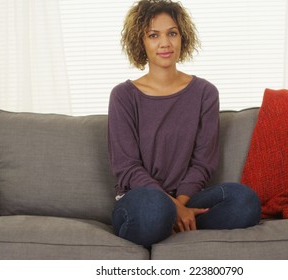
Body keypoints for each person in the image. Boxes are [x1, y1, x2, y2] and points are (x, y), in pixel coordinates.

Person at [108, 0, 261, 247]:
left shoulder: (205, 93)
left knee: (245, 200)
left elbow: (203, 162)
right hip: (141, 199)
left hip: (190, 198)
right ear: (141, 42)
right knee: (153, 209)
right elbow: (127, 167)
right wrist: (172, 208)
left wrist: (181, 204)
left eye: (172, 33)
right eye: (153, 35)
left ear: (183, 38)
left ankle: (174, 224)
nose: (165, 43)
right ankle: (174, 222)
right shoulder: (124, 96)